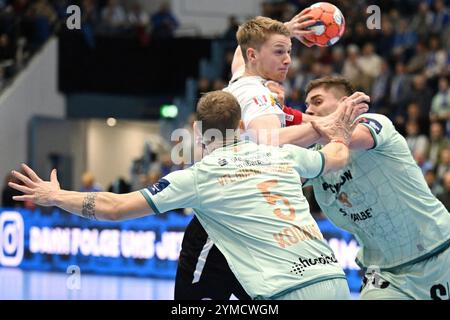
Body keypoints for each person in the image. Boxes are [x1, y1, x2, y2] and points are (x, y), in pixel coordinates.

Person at [9, 90, 363, 300]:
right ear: (241, 126)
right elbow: (335, 158)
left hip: (281, 292)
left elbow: (115, 208)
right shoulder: (280, 153)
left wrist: (56, 196)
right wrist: (336, 130)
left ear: (196, 131)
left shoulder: (198, 177)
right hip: (332, 281)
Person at [174, 12, 369, 300]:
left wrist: (284, 31)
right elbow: (268, 142)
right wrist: (323, 126)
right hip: (221, 228)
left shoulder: (243, 77)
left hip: (242, 220)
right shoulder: (258, 95)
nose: (288, 59)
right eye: (280, 52)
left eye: (289, 51)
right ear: (255, 55)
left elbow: (240, 57)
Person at [303, 76, 450, 300]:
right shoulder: (313, 155)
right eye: (306, 106)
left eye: (317, 101)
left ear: (345, 103)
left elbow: (350, 137)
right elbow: (282, 175)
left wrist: (295, 119)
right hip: (386, 274)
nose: (309, 110)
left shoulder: (371, 123)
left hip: (440, 252)